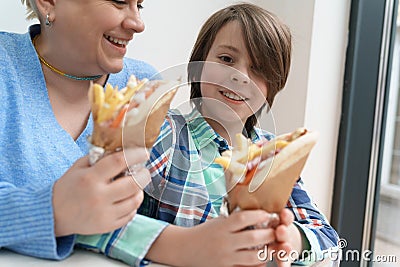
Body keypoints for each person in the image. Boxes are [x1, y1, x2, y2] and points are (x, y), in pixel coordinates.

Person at [76, 3, 339, 267]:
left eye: (259, 69)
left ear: (273, 87)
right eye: (226, 59)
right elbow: (95, 221)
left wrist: (292, 239)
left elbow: (328, 240)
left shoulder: (274, 153)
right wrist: (181, 245)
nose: (240, 76)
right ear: (199, 65)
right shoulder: (164, 135)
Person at [0, 0, 154, 260]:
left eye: (139, 5)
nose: (138, 23)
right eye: (118, 1)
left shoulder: (146, 87)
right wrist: (51, 211)